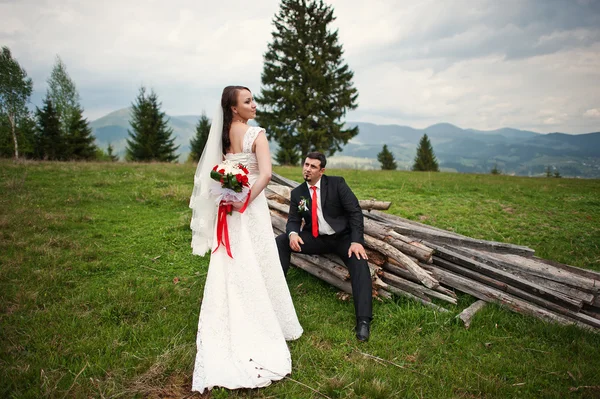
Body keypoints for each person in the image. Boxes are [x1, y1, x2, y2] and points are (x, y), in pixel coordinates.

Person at [189, 86, 303, 393]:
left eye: (252, 100)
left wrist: (230, 197)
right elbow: (265, 175)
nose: (254, 105)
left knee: (235, 258)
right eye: (248, 101)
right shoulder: (256, 134)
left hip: (230, 205)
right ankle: (262, 322)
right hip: (248, 206)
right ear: (235, 108)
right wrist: (245, 201)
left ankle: (237, 312)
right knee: (259, 256)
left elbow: (218, 172)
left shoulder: (224, 137)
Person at [276, 152, 373, 342]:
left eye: (313, 166)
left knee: (360, 263)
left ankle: (363, 321)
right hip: (316, 238)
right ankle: (277, 292)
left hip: (343, 239)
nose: (307, 169)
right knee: (281, 241)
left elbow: (355, 212)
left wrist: (356, 241)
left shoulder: (337, 184)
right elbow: (294, 220)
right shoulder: (298, 193)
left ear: (322, 171)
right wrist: (293, 233)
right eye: (306, 164)